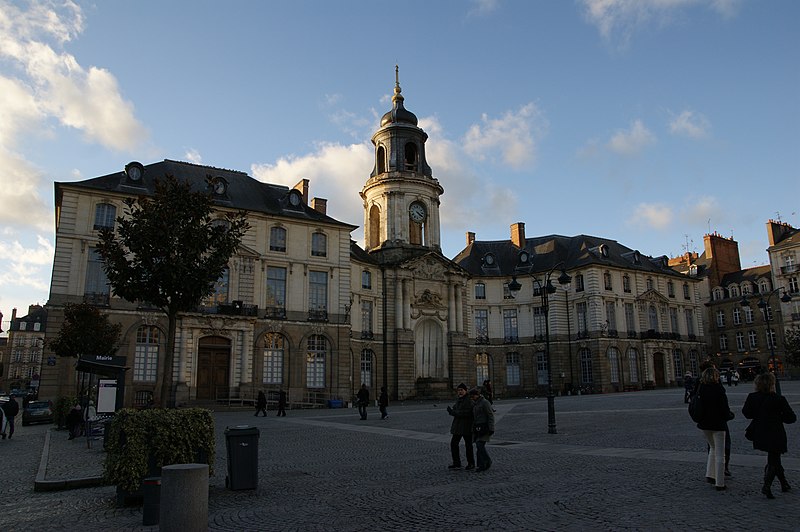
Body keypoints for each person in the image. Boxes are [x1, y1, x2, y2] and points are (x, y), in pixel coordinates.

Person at [742, 372, 797, 499]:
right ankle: (767, 486)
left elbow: (747, 413)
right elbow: (791, 418)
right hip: (775, 432)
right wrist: (779, 416)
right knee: (774, 458)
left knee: (774, 459)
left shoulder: (752, 397)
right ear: (772, 384)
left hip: (760, 432)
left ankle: (784, 483)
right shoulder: (778, 399)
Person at [695, 367, 733, 491]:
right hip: (718, 424)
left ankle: (710, 475)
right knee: (720, 454)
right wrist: (730, 415)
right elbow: (724, 409)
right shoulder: (718, 389)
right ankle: (720, 483)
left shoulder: (700, 389)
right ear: (716, 377)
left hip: (704, 425)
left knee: (712, 448)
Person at [446, 383, 475, 470]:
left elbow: (467, 413)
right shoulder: (459, 400)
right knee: (453, 444)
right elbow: (456, 409)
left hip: (466, 426)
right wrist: (452, 411)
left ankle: (471, 463)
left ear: (466, 391)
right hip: (458, 426)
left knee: (468, 446)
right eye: (458, 390)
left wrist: (453, 412)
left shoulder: (469, 401)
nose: (460, 392)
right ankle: (456, 462)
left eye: (461, 390)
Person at [469, 387, 495, 472]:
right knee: (479, 446)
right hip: (477, 428)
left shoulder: (485, 403)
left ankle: (487, 461)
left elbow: (490, 415)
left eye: (473, 396)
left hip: (484, 427)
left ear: (477, 395)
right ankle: (481, 465)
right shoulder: (475, 403)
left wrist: (491, 428)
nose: (472, 398)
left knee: (479, 445)